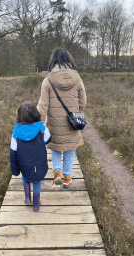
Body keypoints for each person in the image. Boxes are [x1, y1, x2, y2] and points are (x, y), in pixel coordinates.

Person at [37, 47, 87, 188]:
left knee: (56, 147)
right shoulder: (77, 78)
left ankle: (57, 173)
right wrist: (79, 113)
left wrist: (40, 124)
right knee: (70, 149)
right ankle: (67, 177)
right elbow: (83, 101)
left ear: (53, 61)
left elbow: (42, 106)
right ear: (69, 60)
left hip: (55, 122)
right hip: (72, 123)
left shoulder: (48, 81)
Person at [10, 101, 51, 212]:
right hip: (38, 162)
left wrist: (14, 169)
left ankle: (27, 198)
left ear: (19, 115)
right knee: (37, 180)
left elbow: (13, 151)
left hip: (24, 162)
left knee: (25, 176)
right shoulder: (42, 129)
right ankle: (36, 204)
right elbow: (48, 139)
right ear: (36, 114)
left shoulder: (16, 132)